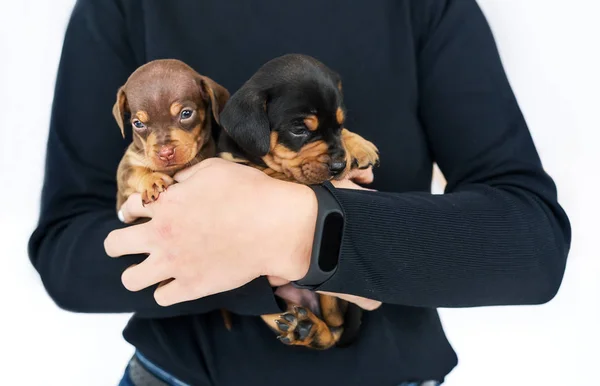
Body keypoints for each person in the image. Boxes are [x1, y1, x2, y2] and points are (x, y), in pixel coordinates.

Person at [28, 0, 571, 385]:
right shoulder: (123, 5)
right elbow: (66, 252)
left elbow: (532, 244)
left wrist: (299, 231)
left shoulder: (421, 5)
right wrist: (272, 250)